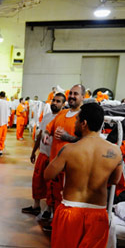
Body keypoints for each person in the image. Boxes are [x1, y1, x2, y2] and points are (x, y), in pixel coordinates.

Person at [43, 103, 123, 248]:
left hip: (70, 208)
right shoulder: (115, 151)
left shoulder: (69, 150)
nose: (75, 124)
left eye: (77, 120)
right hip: (97, 212)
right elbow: (115, 181)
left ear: (84, 123)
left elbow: (48, 175)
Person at [22, 93, 66, 219]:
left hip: (54, 157)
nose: (54, 103)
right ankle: (36, 206)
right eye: (54, 100)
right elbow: (40, 134)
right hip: (42, 153)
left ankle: (49, 209)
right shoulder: (46, 116)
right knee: (37, 180)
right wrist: (34, 151)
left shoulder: (63, 118)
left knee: (51, 184)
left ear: (63, 104)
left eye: (58, 101)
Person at [42, 84, 85, 215]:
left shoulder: (83, 117)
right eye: (71, 93)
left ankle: (60, 223)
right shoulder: (62, 113)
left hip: (70, 168)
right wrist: (46, 134)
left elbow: (87, 141)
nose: (72, 96)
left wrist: (68, 137)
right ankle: (53, 217)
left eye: (76, 94)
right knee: (52, 192)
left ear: (83, 97)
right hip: (55, 162)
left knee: (64, 198)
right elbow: (48, 128)